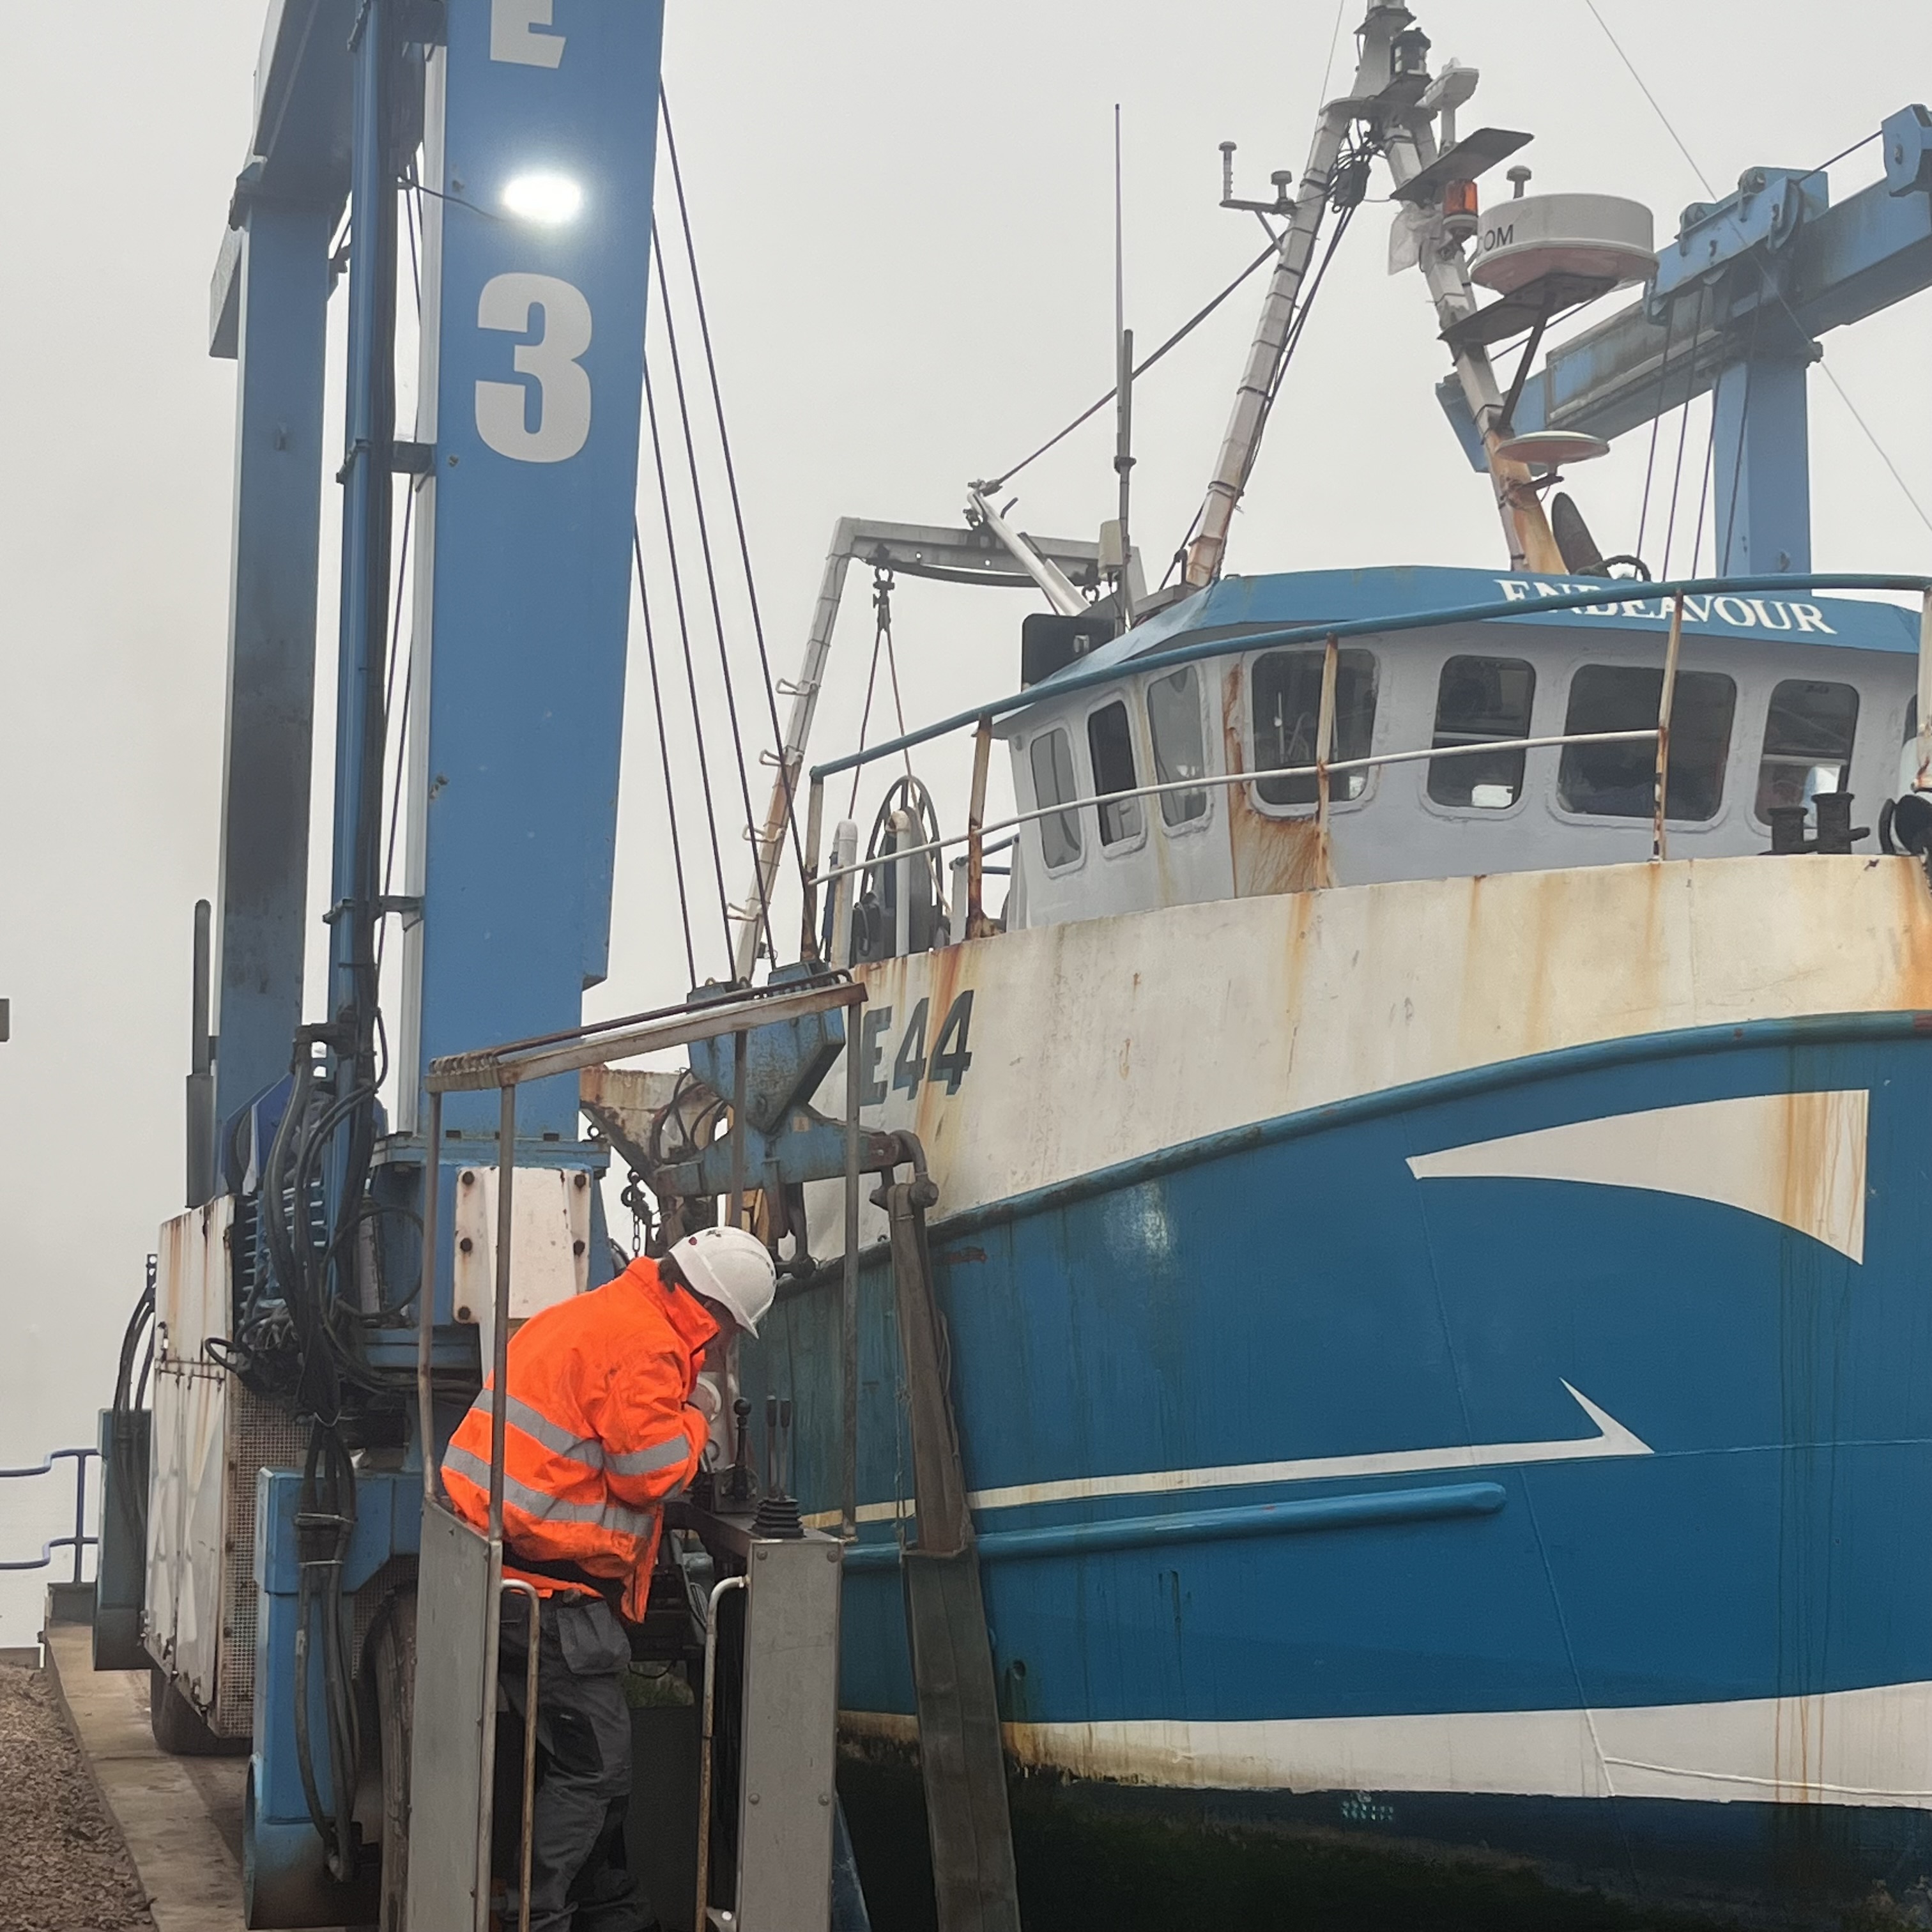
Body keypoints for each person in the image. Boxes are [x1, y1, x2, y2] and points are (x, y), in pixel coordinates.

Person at [441, 1224, 778, 1932]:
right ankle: (541, 1918)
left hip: (501, 1571)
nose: (720, 1346)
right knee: (595, 1767)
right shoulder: (647, 1344)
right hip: (551, 1598)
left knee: (593, 1764)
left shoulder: (593, 1313)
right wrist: (698, 1416)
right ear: (712, 1315)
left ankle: (611, 1911)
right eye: (726, 1332)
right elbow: (648, 1473)